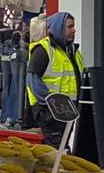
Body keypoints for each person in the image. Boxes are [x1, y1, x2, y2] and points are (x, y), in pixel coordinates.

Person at [26, 11, 82, 146]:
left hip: (69, 110)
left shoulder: (72, 51)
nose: (74, 30)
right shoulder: (43, 50)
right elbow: (32, 81)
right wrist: (51, 105)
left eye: (73, 26)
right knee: (56, 149)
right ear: (58, 28)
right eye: (69, 27)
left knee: (59, 150)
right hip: (51, 112)